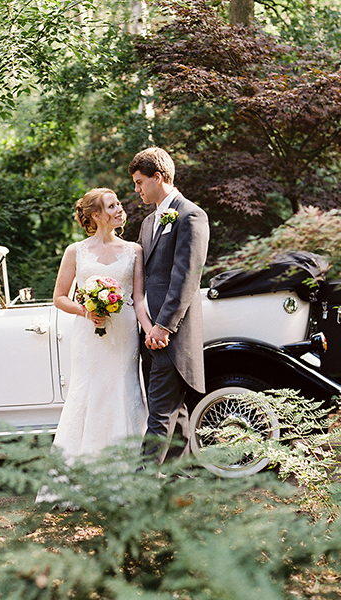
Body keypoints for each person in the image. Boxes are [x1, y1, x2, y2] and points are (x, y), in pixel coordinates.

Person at [49, 188, 152, 461]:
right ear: (95, 215)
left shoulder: (134, 250)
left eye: (119, 204)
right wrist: (85, 311)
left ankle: (128, 470)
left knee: (123, 389)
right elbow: (59, 297)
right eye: (111, 206)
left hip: (125, 333)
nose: (120, 209)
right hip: (89, 336)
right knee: (89, 392)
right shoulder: (76, 251)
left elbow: (138, 299)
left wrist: (151, 329)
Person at [131, 147, 210, 464]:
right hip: (149, 333)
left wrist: (163, 326)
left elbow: (186, 277)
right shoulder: (148, 222)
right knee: (175, 417)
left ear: (158, 177)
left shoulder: (191, 215)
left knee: (159, 417)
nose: (137, 190)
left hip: (170, 335)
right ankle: (181, 489)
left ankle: (141, 494)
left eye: (139, 182)